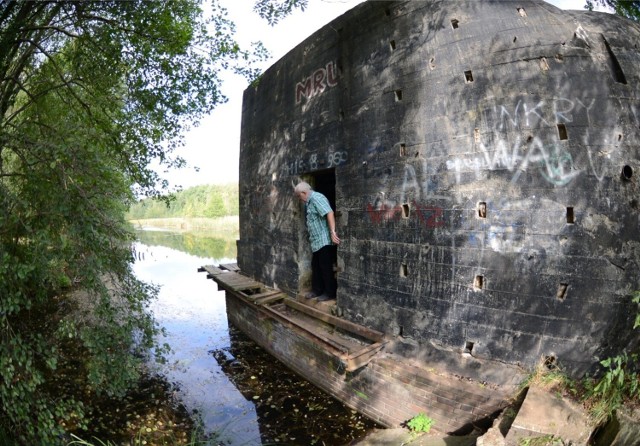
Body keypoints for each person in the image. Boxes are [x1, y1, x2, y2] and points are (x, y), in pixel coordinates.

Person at [294, 181, 340, 301]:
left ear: (304, 192)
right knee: (316, 266)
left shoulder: (317, 198)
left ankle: (329, 293)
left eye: (299, 196)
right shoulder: (309, 202)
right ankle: (317, 290)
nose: (299, 199)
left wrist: (332, 232)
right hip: (316, 242)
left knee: (325, 267)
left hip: (324, 239)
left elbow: (329, 212)